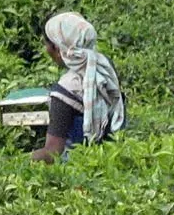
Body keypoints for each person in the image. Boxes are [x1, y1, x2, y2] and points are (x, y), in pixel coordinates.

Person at [30, 12, 124, 164]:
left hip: (80, 166)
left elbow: (52, 153)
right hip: (113, 155)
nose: (46, 49)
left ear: (58, 48)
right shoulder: (104, 66)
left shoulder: (66, 90)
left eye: (47, 44)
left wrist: (19, 161)